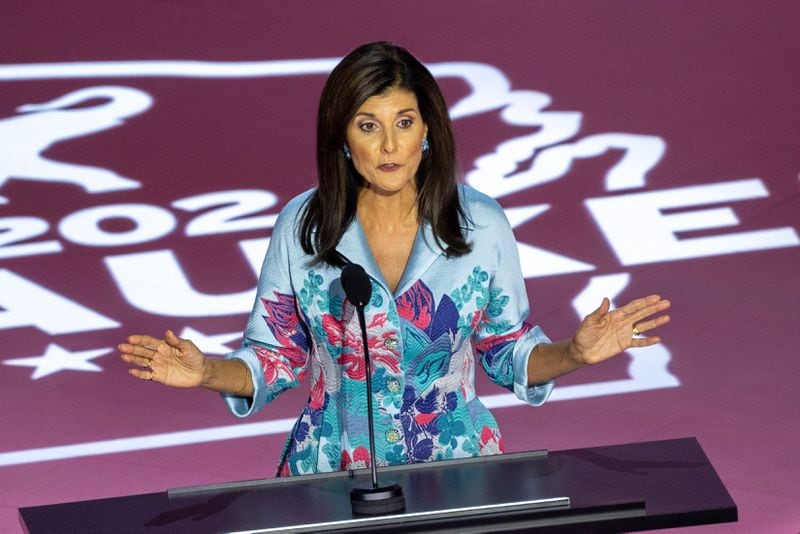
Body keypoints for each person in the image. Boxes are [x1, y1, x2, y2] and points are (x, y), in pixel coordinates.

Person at [119, 42, 670, 476]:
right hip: (331, 472)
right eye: (368, 126)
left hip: (457, 466)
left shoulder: (481, 225)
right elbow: (278, 355)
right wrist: (207, 373)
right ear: (341, 137)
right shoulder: (303, 228)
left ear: (427, 129)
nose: (388, 147)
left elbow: (508, 349)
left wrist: (574, 352)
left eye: (404, 123)